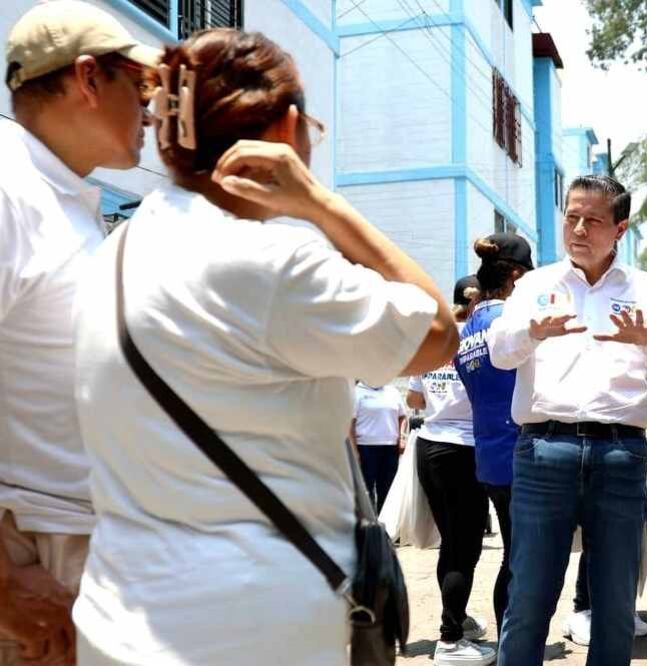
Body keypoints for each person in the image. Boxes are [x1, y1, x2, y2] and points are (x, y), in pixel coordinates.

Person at [70, 28, 457, 665]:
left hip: (118, 622)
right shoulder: (272, 260)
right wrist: (320, 203)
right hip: (258, 626)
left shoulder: (114, 252)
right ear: (287, 131)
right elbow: (437, 333)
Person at [0, 3, 160, 663]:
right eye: (142, 88)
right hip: (32, 560)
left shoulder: (68, 198)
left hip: (80, 553)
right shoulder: (11, 189)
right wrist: (6, 585)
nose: (152, 112)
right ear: (88, 80)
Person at [488, 174, 647, 666]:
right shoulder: (535, 285)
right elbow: (498, 353)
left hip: (621, 454)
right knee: (530, 595)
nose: (578, 229)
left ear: (619, 228)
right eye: (571, 217)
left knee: (615, 601)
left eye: (593, 220)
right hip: (543, 450)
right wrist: (530, 333)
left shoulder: (646, 290)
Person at [454, 233, 534, 642]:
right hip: (523, 453)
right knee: (521, 558)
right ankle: (513, 640)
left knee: (513, 553)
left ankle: (510, 638)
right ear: (516, 276)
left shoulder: (465, 331)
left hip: (488, 455)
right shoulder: (510, 323)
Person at [410, 276, 492, 666]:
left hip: (429, 444)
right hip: (464, 448)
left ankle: (456, 618)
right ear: (479, 299)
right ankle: (450, 639)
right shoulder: (479, 338)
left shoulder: (435, 338)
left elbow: (413, 396)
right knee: (466, 547)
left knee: (452, 542)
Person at [348, 381, 407, 513]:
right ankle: (369, 528)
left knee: (388, 492)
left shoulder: (393, 391)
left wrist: (402, 437)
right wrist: (354, 451)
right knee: (366, 492)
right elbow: (350, 423)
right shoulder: (356, 392)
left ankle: (386, 529)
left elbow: (402, 416)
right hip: (365, 448)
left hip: (390, 449)